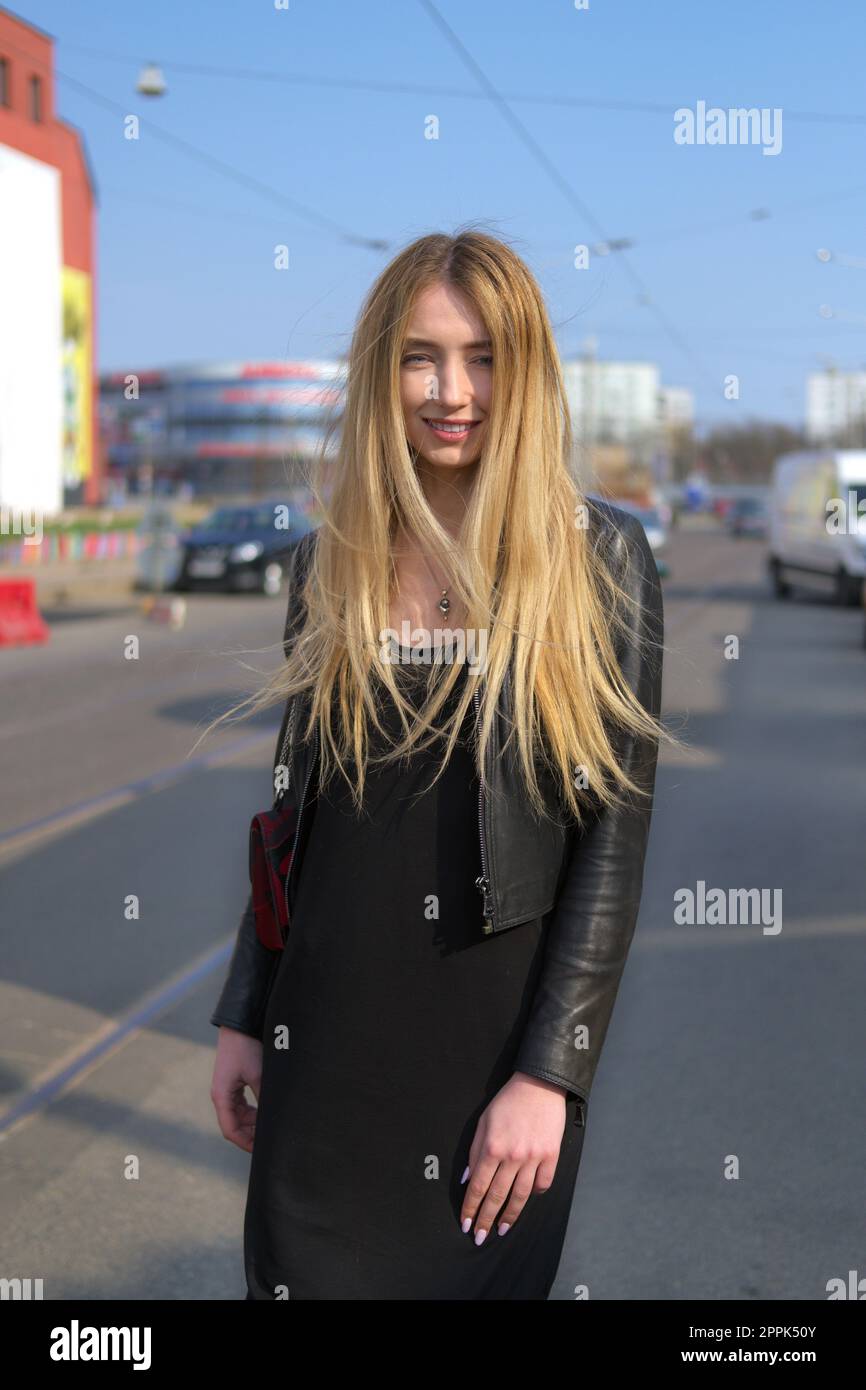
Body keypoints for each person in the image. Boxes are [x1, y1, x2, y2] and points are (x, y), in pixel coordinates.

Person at [207, 229, 667, 1300]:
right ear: (380, 372)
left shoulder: (596, 556)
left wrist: (551, 1071)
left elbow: (613, 838)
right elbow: (294, 817)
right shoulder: (333, 558)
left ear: (527, 370)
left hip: (489, 1055)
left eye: (483, 356)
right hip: (322, 1033)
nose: (450, 390)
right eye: (419, 356)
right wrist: (244, 1008)